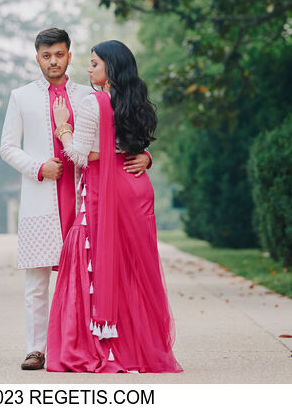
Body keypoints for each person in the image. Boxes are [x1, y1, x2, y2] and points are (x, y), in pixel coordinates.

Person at [0, 29, 152, 371]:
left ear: (69, 55)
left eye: (59, 54)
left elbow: (127, 127)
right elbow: (7, 147)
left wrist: (147, 156)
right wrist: (39, 168)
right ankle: (36, 349)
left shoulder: (92, 93)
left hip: (89, 199)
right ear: (36, 57)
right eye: (46, 55)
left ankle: (82, 344)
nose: (53, 60)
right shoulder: (21, 97)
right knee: (38, 278)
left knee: (91, 278)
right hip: (43, 198)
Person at [46, 40, 182, 373]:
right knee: (133, 268)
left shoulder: (95, 103)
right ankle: (137, 349)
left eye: (94, 64)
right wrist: (145, 158)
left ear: (111, 67)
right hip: (136, 189)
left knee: (91, 253)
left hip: (106, 191)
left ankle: (99, 345)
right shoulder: (136, 102)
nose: (89, 69)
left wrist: (62, 125)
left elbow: (80, 155)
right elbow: (132, 148)